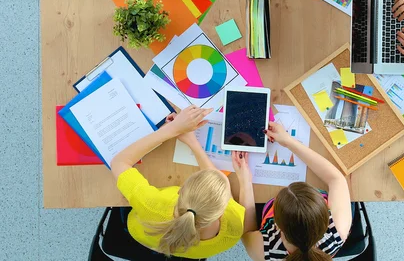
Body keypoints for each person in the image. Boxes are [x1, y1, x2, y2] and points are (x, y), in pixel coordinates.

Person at [110, 106, 247, 258]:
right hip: (177, 249)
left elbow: (118, 162)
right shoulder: (233, 227)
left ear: (180, 190)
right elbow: (218, 182)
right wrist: (193, 143)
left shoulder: (152, 204)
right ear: (222, 208)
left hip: (140, 233)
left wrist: (171, 130)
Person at [238, 122, 352, 260]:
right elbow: (337, 179)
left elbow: (247, 233)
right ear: (325, 217)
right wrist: (288, 141)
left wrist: (245, 182)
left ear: (278, 226)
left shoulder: (264, 250)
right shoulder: (337, 231)